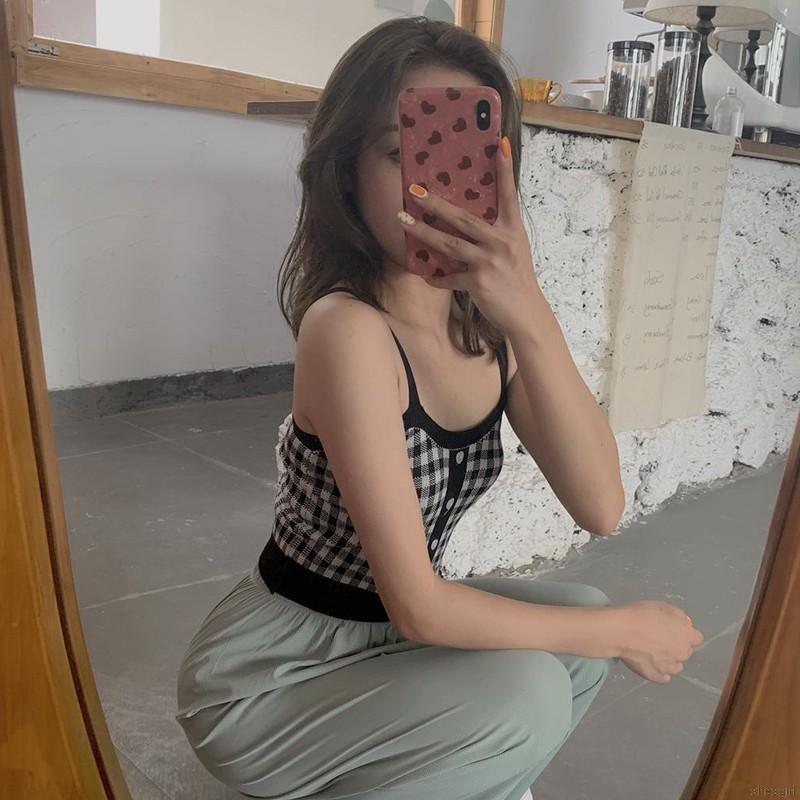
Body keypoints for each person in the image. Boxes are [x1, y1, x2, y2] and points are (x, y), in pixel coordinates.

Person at [174, 16, 703, 800]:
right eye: (403, 154)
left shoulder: (487, 326)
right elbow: (420, 607)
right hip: (273, 677)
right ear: (346, 171)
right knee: (537, 683)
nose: (437, 185)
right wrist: (624, 631)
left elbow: (600, 505)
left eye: (471, 155)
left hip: (382, 640)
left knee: (576, 638)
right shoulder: (347, 329)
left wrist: (529, 311)